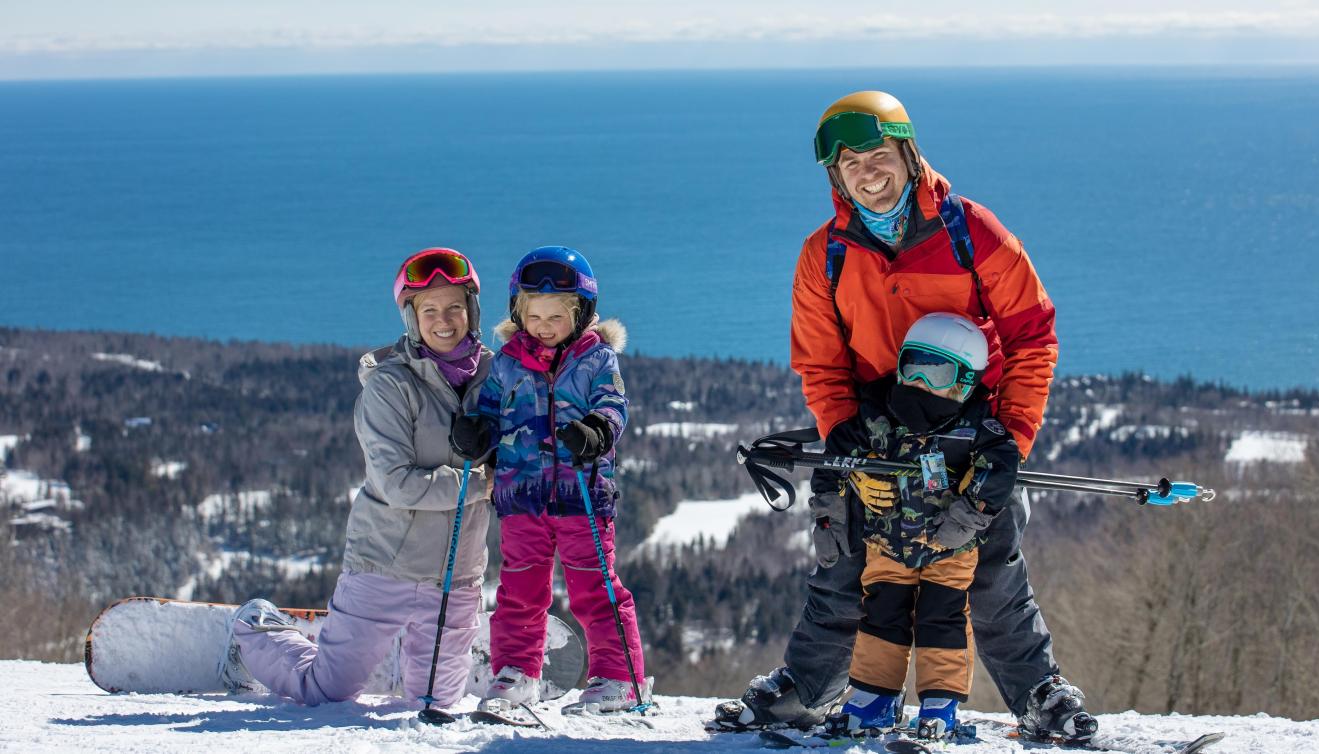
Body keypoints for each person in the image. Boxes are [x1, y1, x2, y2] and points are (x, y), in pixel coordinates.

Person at [715, 90, 1097, 743]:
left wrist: (1012, 437)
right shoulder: (824, 255)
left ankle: (1038, 694)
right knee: (846, 561)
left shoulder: (972, 232)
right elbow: (821, 362)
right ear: (834, 177)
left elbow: (1034, 335)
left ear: (908, 154)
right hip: (875, 429)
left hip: (969, 432)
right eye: (849, 164)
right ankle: (809, 689)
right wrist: (841, 430)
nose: (867, 171)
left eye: (878, 154)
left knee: (987, 563)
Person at [219, 247, 493, 709]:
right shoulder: (391, 386)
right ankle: (255, 628)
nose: (444, 319)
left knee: (434, 706)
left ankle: (404, 663)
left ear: (472, 310)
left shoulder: (497, 379)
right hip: (384, 565)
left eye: (454, 306)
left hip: (456, 575)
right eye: (429, 309)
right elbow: (397, 484)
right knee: (325, 692)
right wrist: (482, 481)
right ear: (412, 317)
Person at [449, 245, 651, 712]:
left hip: (581, 494)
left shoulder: (597, 360)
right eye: (533, 315)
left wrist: (597, 430)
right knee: (520, 591)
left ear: (581, 315)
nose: (543, 326)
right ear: (518, 313)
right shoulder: (506, 363)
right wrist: (476, 431)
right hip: (522, 496)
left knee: (595, 588)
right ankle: (516, 674)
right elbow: (490, 411)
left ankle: (619, 679)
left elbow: (613, 406)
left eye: (556, 316)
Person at [826, 312, 1017, 740]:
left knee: (942, 618)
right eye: (913, 368)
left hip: (949, 550)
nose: (921, 385)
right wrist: (828, 513)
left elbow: (1003, 464)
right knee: (880, 616)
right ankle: (873, 699)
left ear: (965, 382)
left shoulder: (974, 427)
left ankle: (939, 702)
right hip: (887, 546)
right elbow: (836, 452)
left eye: (937, 374)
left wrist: (968, 515)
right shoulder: (878, 414)